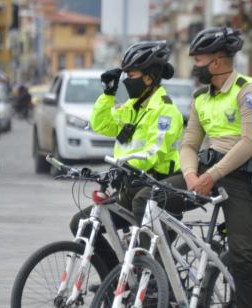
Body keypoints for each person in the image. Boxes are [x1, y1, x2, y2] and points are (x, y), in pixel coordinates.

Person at [68, 41, 187, 270]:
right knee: (82, 225)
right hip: (129, 190)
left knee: (143, 258)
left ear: (149, 78)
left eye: (130, 75)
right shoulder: (132, 107)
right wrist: (108, 93)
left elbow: (155, 150)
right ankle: (112, 283)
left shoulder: (165, 110)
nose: (125, 80)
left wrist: (123, 166)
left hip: (155, 189)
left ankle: (151, 284)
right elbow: (101, 124)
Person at [180, 27, 252, 308]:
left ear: (216, 62)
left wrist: (210, 176)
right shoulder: (200, 97)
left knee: (243, 256)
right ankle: (159, 278)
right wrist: (190, 175)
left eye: (198, 60)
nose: (195, 66)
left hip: (242, 180)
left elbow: (248, 143)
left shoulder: (249, 91)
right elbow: (189, 144)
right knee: (149, 200)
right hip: (206, 173)